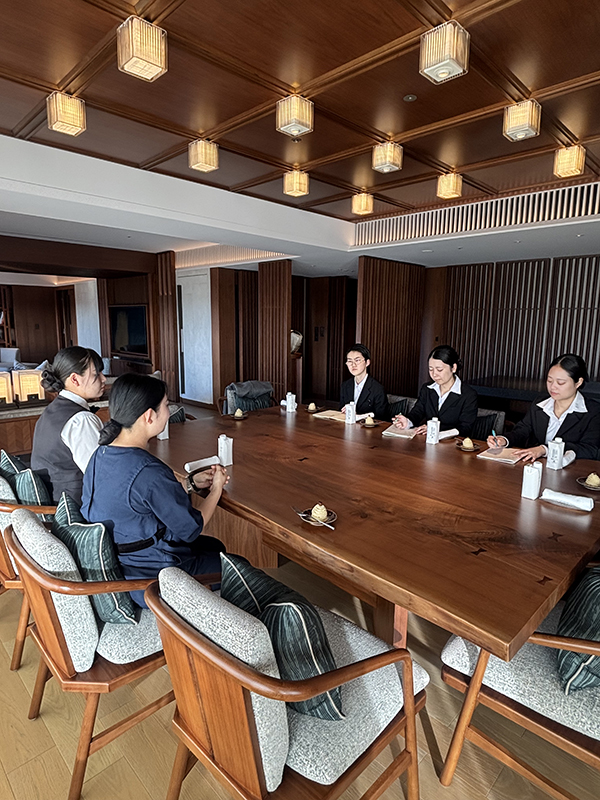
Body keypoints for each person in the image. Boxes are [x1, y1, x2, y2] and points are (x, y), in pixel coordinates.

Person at [82, 373, 228, 607]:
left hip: (120, 563)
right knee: (238, 567)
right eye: (166, 405)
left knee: (216, 547)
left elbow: (143, 501)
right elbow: (192, 528)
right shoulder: (149, 471)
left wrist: (190, 484)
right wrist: (216, 490)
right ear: (149, 416)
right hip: (152, 577)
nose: (169, 412)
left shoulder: (100, 454)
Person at [486, 353, 600, 462]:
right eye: (549, 380)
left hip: (571, 470)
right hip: (535, 466)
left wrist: (545, 449)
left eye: (560, 383)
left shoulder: (593, 411)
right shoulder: (540, 404)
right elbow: (522, 431)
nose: (553, 387)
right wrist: (504, 440)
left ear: (578, 382)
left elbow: (590, 449)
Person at [31, 346, 106, 504]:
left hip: (55, 502)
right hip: (76, 508)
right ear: (75, 379)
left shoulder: (52, 411)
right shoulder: (81, 420)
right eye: (96, 374)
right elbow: (102, 475)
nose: (103, 379)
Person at [393, 345, 478, 436]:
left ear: (453, 368)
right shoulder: (427, 389)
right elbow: (417, 412)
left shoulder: (468, 395)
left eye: (439, 370)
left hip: (452, 443)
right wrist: (407, 422)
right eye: (431, 369)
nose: (434, 374)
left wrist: (435, 429)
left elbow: (465, 428)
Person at [339, 343, 389, 420]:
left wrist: (358, 416)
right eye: (350, 361)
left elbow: (381, 417)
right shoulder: (345, 385)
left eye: (357, 360)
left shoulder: (377, 389)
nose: (353, 365)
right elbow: (341, 410)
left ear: (367, 362)